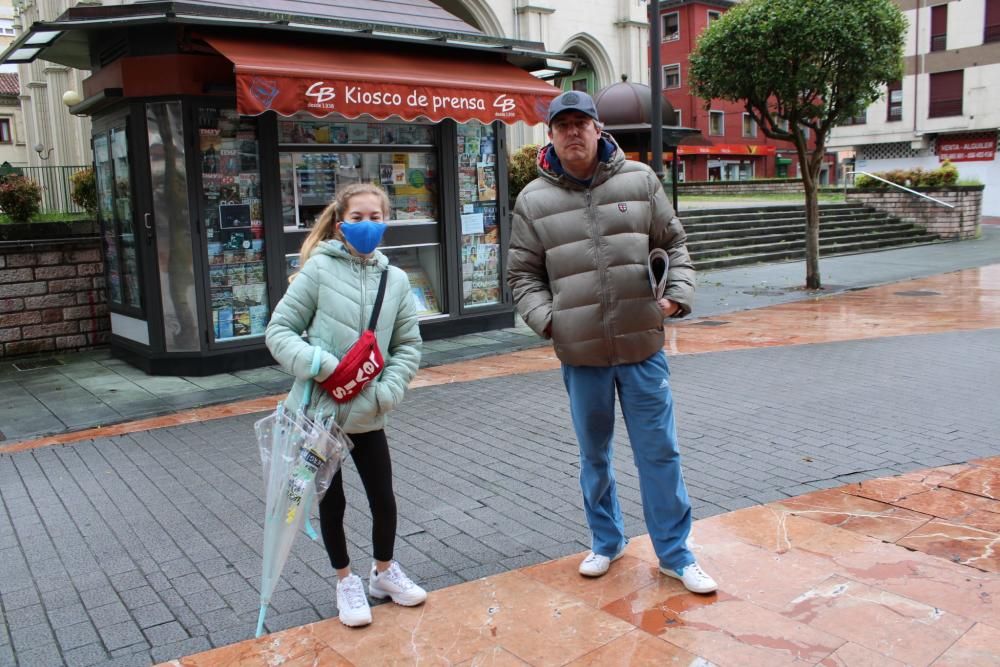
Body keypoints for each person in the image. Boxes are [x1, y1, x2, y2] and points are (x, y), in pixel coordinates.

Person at [507, 91, 717, 594]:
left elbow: (675, 244)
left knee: (659, 454)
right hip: (582, 356)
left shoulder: (639, 181)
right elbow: (521, 276)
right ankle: (606, 540)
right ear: (551, 135)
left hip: (643, 349)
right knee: (594, 456)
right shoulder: (533, 199)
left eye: (582, 123)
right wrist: (551, 321)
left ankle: (676, 554)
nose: (573, 132)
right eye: (564, 125)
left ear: (599, 130)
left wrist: (675, 299)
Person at [265, 183, 425, 627]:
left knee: (383, 499)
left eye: (376, 217)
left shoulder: (395, 281)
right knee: (331, 504)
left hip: (368, 413)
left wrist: (387, 391)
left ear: (386, 222)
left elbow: (408, 345)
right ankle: (345, 581)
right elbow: (278, 331)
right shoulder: (317, 272)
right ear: (341, 225)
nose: (367, 225)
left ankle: (384, 572)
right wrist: (320, 364)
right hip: (319, 415)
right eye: (358, 218)